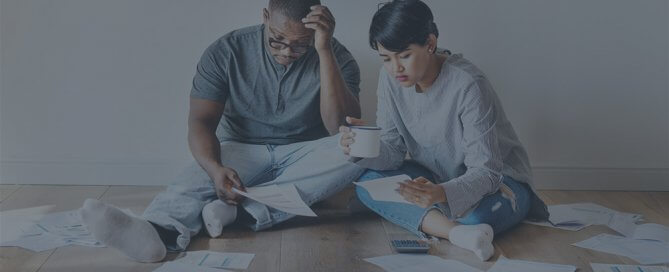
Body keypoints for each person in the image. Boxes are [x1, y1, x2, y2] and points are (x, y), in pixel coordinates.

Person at [80, 0, 365, 262]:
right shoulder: (227, 50)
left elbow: (338, 126)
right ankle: (156, 231)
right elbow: (200, 122)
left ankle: (239, 212)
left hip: (303, 153)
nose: (286, 52)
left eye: (300, 44)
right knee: (192, 181)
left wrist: (323, 50)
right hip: (241, 148)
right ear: (265, 17)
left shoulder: (337, 56)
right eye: (277, 40)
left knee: (360, 151)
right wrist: (215, 168)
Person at [339, 0, 549, 261]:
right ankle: (459, 233)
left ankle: (447, 223)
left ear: (430, 43)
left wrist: (442, 193)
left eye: (404, 55)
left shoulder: (468, 84)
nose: (395, 69)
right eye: (386, 58)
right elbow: (393, 152)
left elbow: (487, 172)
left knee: (476, 216)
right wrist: (360, 148)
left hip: (501, 182)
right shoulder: (389, 79)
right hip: (437, 177)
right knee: (367, 183)